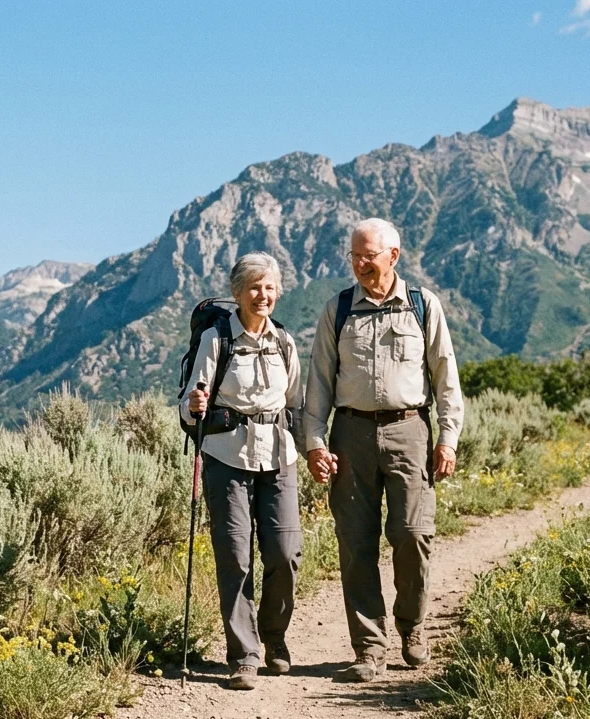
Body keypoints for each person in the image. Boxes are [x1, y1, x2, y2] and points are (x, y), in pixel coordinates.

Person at [303, 218, 464, 682]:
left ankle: (412, 629)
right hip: (350, 436)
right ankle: (369, 649)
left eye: (367, 255)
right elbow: (317, 384)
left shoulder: (422, 305)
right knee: (355, 543)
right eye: (354, 255)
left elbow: (445, 378)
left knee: (413, 534)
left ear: (393, 256)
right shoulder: (337, 310)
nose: (359, 264)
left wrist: (447, 438)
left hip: (410, 430)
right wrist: (314, 443)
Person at [181, 252, 303, 691]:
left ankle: (275, 639)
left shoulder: (285, 342)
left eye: (269, 287)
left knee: (286, 553)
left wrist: (315, 450)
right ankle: (244, 654)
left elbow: (296, 404)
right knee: (235, 557)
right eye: (254, 287)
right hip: (226, 456)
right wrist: (194, 407)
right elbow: (189, 402)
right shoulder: (218, 340)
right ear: (238, 294)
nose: (262, 295)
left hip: (279, 456)